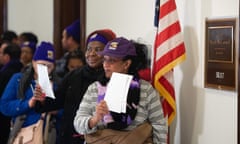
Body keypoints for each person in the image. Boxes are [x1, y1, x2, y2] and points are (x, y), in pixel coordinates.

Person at [73, 37, 168, 144]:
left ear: (126, 64)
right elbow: (77, 123)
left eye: (111, 60)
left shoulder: (146, 90)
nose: (105, 64)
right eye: (105, 59)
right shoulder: (95, 88)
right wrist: (94, 119)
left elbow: (159, 125)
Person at [33, 29, 116, 144]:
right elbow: (57, 101)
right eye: (89, 49)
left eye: (98, 50)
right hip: (68, 137)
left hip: (98, 138)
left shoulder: (113, 78)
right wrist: (42, 100)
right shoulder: (74, 75)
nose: (91, 54)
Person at [0, 41, 56, 144]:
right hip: (24, 133)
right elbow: (4, 106)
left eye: (49, 66)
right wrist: (28, 103)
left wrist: (51, 107)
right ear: (34, 63)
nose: (45, 70)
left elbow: (66, 110)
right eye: (41, 65)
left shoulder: (56, 84)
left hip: (48, 134)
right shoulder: (18, 79)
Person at [0, 42, 23, 144]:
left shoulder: (4, 73)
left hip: (4, 114)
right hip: (18, 114)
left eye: (1, 53)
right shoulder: (24, 71)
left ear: (7, 57)